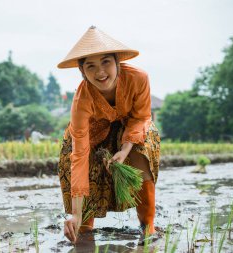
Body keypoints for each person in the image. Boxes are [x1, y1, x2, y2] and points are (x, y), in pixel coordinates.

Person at [57, 26, 161, 245]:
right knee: (75, 160)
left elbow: (141, 117)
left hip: (128, 130)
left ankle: (148, 224)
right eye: (91, 66)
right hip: (91, 135)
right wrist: (75, 212)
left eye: (105, 62)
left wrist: (124, 150)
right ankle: (82, 227)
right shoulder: (81, 100)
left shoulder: (138, 78)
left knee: (143, 148)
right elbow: (79, 155)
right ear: (82, 71)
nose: (100, 72)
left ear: (117, 62)